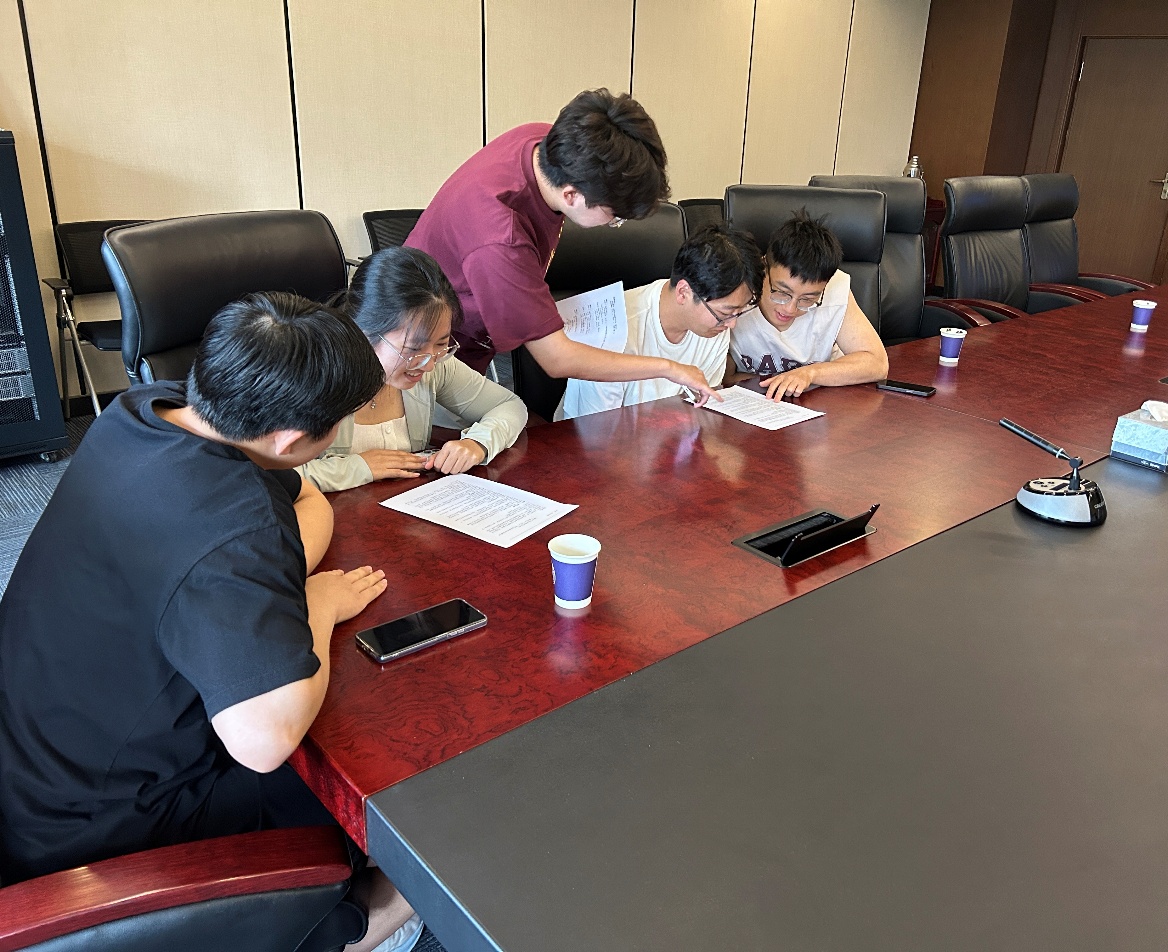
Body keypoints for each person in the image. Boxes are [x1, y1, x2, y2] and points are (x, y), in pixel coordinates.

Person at [0, 292, 418, 951]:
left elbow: (305, 497)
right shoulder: (233, 528)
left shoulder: (146, 411)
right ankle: (347, 925)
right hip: (93, 829)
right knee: (390, 786)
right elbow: (263, 740)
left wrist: (275, 576)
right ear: (290, 439)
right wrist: (314, 605)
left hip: (31, 755)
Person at [406, 87, 720, 404]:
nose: (614, 224)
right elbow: (556, 359)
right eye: (614, 217)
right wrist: (669, 368)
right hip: (423, 351)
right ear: (571, 194)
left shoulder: (546, 143)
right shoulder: (502, 240)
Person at [298, 247, 528, 492]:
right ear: (363, 332)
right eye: (413, 349)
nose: (428, 365)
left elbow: (509, 405)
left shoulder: (435, 365)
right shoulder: (311, 375)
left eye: (441, 344)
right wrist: (357, 468)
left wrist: (477, 443)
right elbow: (272, 474)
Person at [557, 225, 764, 420]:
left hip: (673, 436)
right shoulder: (611, 332)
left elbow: (703, 410)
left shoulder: (715, 325)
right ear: (683, 292)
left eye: (738, 312)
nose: (732, 324)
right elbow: (594, 432)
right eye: (726, 313)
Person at [728, 211, 888, 399]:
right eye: (782, 292)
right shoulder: (738, 291)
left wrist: (810, 373)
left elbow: (877, 363)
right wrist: (783, 381)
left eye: (807, 299)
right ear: (765, 267)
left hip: (819, 401)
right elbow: (724, 378)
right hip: (755, 402)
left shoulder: (834, 289)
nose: (790, 309)